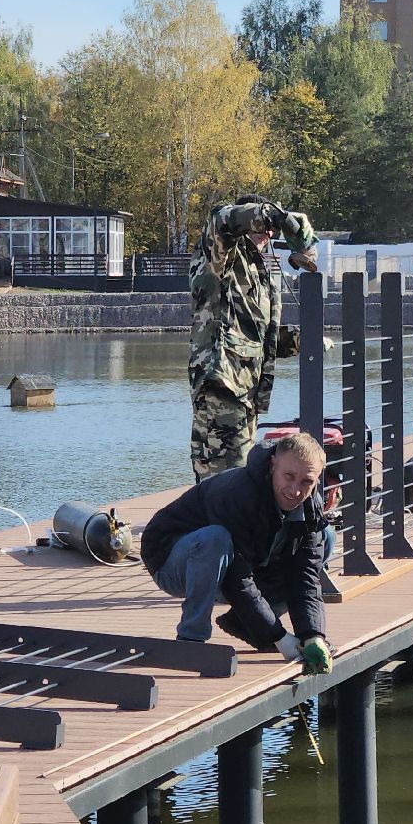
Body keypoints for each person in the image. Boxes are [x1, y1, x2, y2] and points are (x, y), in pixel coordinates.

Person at [141, 431, 336, 676]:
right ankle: (191, 641)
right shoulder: (238, 493)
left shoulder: (309, 507)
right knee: (216, 539)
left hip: (230, 563)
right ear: (272, 464)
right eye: (289, 476)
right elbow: (237, 578)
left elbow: (304, 578)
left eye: (306, 481)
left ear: (317, 479)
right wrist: (278, 636)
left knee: (326, 536)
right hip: (172, 559)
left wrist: (312, 635)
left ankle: (244, 624)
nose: (296, 490)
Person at [187, 195, 319, 481]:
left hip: (246, 393)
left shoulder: (258, 271)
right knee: (224, 483)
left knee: (239, 481)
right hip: (221, 384)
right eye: (261, 225)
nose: (267, 233)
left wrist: (303, 341)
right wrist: (282, 219)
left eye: (270, 230)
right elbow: (222, 219)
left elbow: (258, 338)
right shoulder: (220, 254)